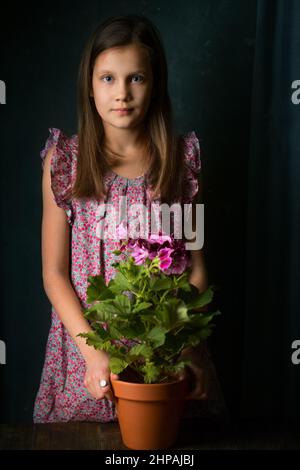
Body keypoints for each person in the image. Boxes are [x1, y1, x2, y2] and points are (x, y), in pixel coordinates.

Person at [33, 14, 225, 423]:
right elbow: (54, 273)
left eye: (136, 78)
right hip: (89, 352)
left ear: (154, 85)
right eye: (107, 78)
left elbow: (197, 269)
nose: (122, 93)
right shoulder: (66, 161)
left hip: (166, 351)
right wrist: (93, 352)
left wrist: (184, 347)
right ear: (89, 84)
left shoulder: (182, 163)